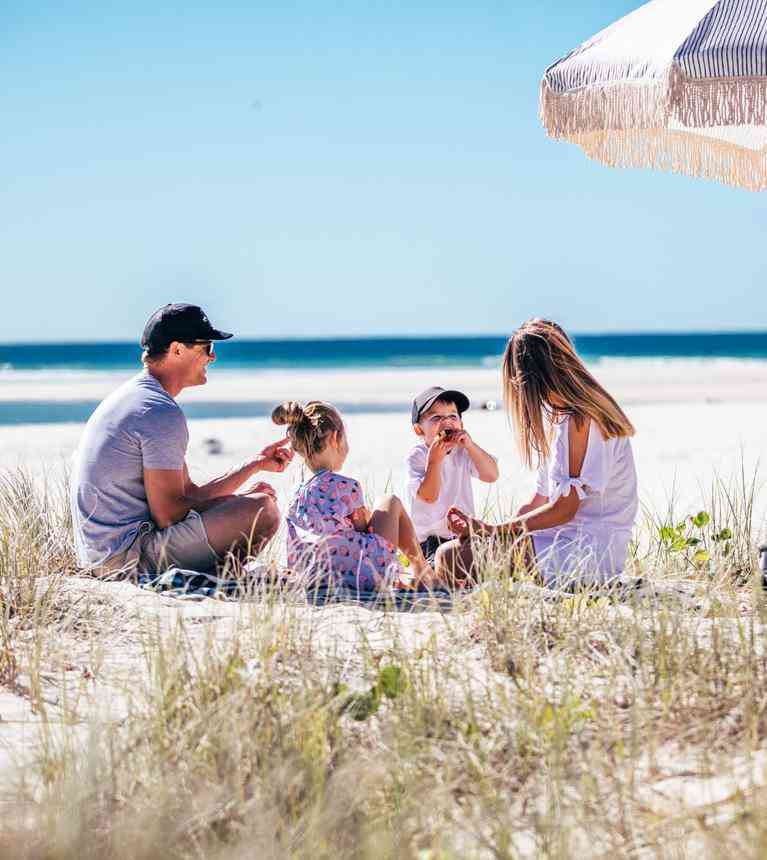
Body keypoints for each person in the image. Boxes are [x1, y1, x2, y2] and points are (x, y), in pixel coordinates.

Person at [71, 303, 292, 576]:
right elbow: (169, 514)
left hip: (105, 555)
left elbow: (188, 495)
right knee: (263, 510)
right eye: (207, 348)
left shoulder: (136, 398)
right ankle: (224, 575)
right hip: (127, 560)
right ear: (177, 350)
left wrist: (254, 465)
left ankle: (223, 572)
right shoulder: (158, 411)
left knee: (253, 503)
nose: (213, 358)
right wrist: (238, 502)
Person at [440, 319, 638, 589]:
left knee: (452, 558)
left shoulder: (583, 420)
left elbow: (564, 510)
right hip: (564, 540)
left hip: (588, 552)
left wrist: (493, 532)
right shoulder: (563, 419)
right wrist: (489, 532)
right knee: (451, 554)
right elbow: (537, 502)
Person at [272, 400, 440, 591]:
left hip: (310, 574)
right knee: (389, 501)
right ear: (335, 438)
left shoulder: (296, 491)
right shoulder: (346, 486)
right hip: (359, 573)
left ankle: (418, 572)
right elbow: (362, 530)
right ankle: (424, 573)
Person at [405, 387, 498, 568]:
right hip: (431, 543)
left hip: (465, 536)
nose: (446, 421)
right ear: (418, 430)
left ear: (461, 425)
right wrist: (434, 462)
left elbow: (491, 475)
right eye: (436, 418)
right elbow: (429, 496)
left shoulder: (463, 452)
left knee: (488, 561)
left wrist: (471, 446)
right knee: (445, 569)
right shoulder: (417, 456)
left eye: (453, 416)